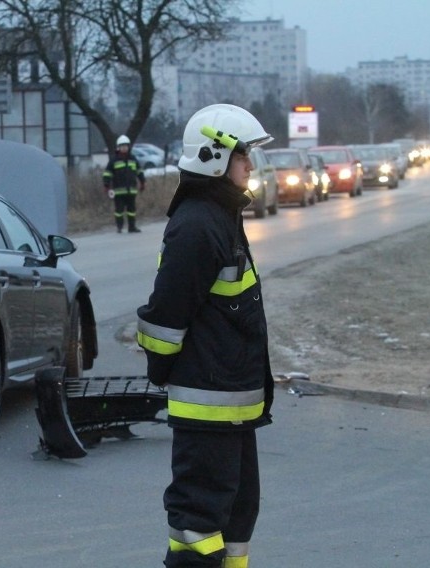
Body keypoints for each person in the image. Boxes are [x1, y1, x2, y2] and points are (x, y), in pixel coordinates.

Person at [136, 104, 275, 568]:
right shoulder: (198, 225)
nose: (250, 165)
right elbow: (165, 316)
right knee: (199, 524)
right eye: (243, 156)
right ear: (214, 156)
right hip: (208, 404)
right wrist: (162, 368)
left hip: (231, 403)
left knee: (236, 518)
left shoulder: (220, 216)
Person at [103, 134, 145, 233]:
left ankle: (132, 227)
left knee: (132, 211)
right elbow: (107, 173)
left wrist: (142, 182)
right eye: (122, 146)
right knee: (119, 211)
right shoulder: (114, 160)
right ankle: (119, 227)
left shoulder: (133, 159)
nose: (124, 148)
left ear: (128, 147)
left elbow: (139, 171)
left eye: (125, 146)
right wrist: (106, 185)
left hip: (131, 190)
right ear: (119, 147)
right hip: (118, 191)